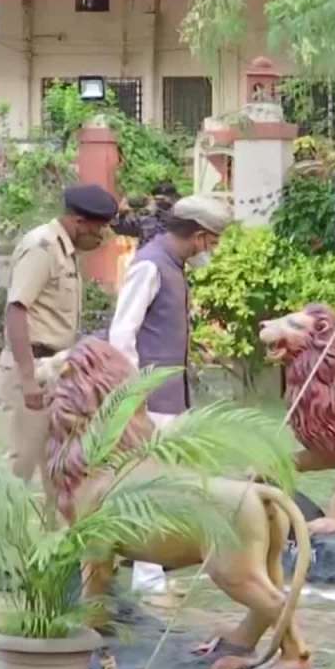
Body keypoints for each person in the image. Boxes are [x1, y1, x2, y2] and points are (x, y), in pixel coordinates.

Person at [108, 194, 233, 601]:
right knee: (150, 486)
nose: (210, 251)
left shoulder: (172, 265)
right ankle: (146, 580)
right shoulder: (149, 264)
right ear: (198, 237)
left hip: (171, 398)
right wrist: (134, 397)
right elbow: (122, 334)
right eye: (211, 242)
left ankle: (153, 573)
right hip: (150, 399)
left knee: (165, 485)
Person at [0, 184, 117, 486]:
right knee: (21, 462)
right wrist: (27, 379)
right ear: (78, 222)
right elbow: (16, 309)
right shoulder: (43, 248)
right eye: (98, 229)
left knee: (58, 466)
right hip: (32, 368)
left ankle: (54, 530)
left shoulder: (65, 249)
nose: (101, 237)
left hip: (57, 369)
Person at [111, 181, 181, 246]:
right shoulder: (146, 218)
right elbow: (119, 229)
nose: (161, 203)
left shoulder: (182, 217)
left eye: (163, 200)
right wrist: (120, 214)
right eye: (157, 200)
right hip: (147, 256)